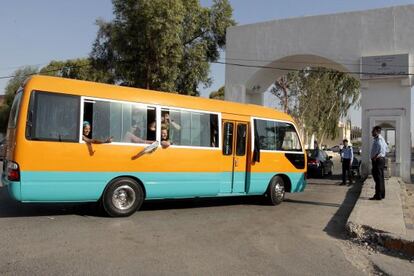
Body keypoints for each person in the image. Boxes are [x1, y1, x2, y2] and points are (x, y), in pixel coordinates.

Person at [370, 126, 388, 200]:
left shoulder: (379, 139)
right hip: (379, 160)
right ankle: (381, 194)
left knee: (378, 178)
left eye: (373, 131)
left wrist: (375, 157)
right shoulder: (379, 139)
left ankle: (378, 195)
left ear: (377, 131)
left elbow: (381, 150)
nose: (372, 132)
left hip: (378, 160)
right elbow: (387, 148)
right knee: (380, 177)